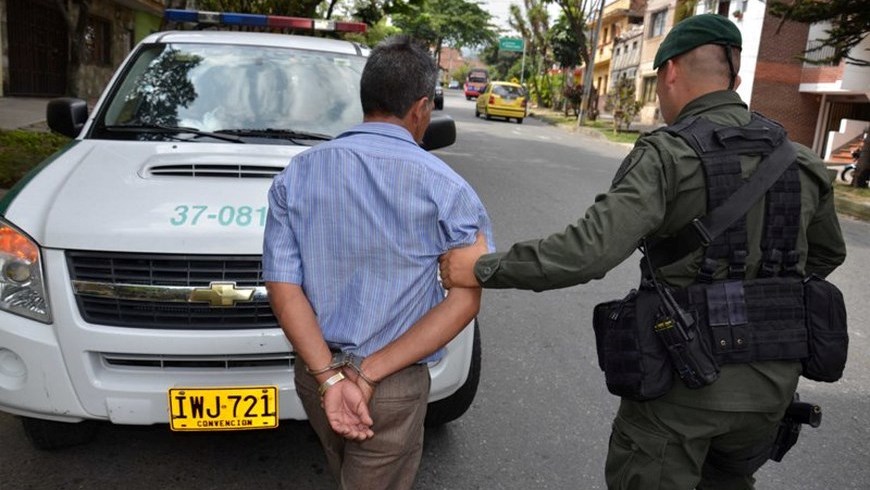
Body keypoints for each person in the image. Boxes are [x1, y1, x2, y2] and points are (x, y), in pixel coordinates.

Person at [439, 14, 846, 489]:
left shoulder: (669, 155)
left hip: (684, 386)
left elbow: (586, 253)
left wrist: (483, 267)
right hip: (771, 391)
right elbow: (824, 256)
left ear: (670, 71)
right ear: (733, 78)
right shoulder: (799, 159)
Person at [263, 35, 494, 489]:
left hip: (315, 375)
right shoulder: (449, 190)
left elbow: (283, 288)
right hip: (391, 386)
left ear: (365, 98)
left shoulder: (298, 174)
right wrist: (367, 374)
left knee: (342, 467)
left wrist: (330, 380)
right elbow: (465, 300)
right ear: (422, 108)